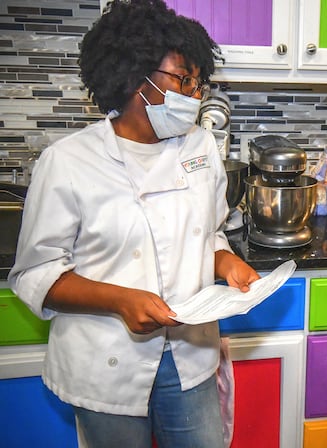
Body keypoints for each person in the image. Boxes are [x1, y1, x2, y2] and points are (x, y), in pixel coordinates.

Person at [8, 1, 260, 447]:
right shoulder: (68, 162)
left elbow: (210, 232)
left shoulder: (200, 146)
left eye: (198, 82)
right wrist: (120, 300)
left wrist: (227, 265)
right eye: (183, 80)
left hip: (191, 354)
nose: (195, 95)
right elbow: (35, 274)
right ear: (134, 79)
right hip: (106, 360)